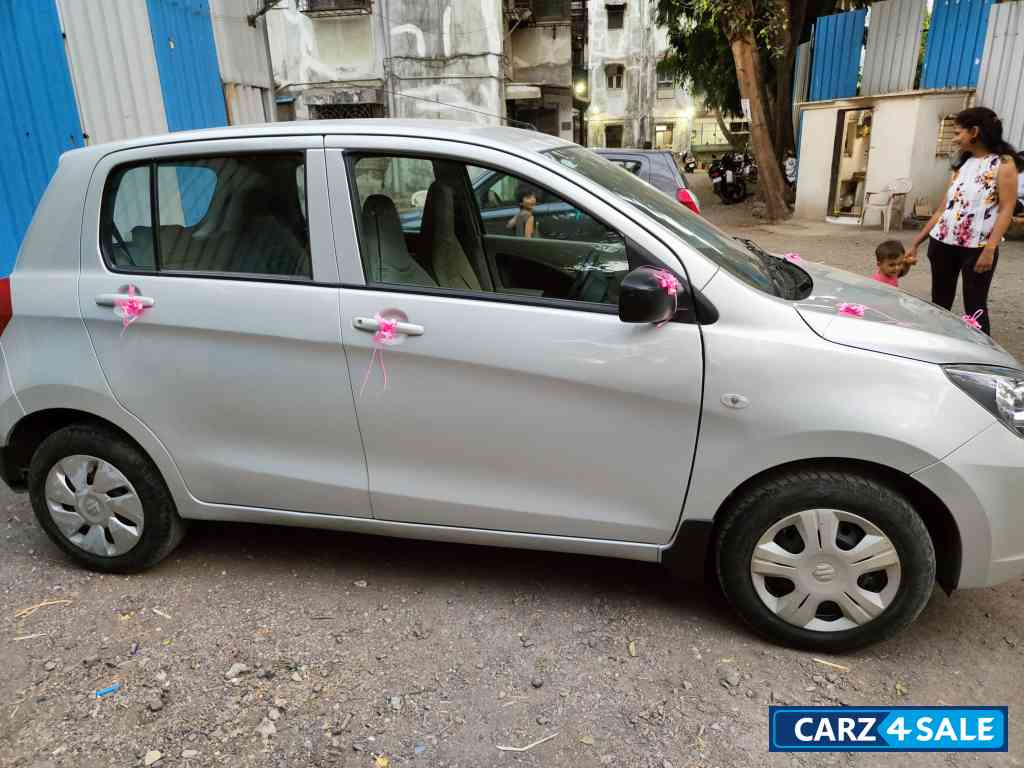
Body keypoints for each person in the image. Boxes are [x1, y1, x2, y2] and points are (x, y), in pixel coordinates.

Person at [905, 107, 1019, 335]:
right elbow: (942, 209)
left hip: (977, 248)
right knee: (940, 302)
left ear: (974, 131)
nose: (955, 139)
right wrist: (917, 241)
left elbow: (1007, 209)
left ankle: (982, 356)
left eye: (958, 133)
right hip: (942, 244)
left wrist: (990, 247)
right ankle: (940, 344)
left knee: (975, 307)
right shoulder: (961, 165)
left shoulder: (1004, 164)